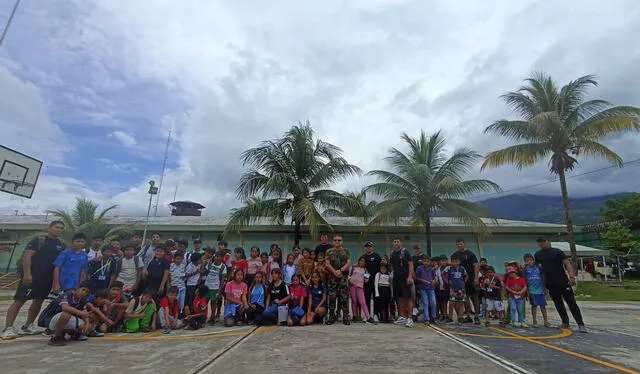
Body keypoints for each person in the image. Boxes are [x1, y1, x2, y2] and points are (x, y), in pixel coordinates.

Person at [2, 220, 65, 340]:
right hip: (32, 277)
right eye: (57, 227)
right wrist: (27, 274)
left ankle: (28, 326)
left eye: (61, 228)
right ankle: (8, 328)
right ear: (50, 228)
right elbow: (27, 256)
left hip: (46, 279)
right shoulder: (38, 241)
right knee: (19, 301)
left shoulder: (59, 244)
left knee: (38, 301)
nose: (59, 230)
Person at [534, 237, 586, 332]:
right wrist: (543, 285)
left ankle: (580, 324)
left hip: (562, 281)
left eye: (543, 241)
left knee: (571, 302)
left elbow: (567, 264)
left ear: (548, 241)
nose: (541, 244)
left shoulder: (557, 251)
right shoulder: (538, 254)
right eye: (539, 242)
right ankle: (565, 322)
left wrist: (571, 277)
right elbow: (539, 271)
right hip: (550, 282)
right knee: (558, 303)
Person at [38, 280, 92, 346]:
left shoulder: (81, 299)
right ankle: (56, 337)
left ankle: (73, 334)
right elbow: (65, 307)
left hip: (64, 319)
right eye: (83, 290)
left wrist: (87, 323)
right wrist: (81, 313)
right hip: (50, 319)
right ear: (77, 288)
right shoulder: (67, 294)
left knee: (88, 326)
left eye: (87, 292)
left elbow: (84, 312)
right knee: (67, 314)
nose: (84, 293)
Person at [451, 239, 481, 325]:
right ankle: (468, 316)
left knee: (475, 298)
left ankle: (477, 316)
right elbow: (453, 266)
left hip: (471, 279)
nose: (459, 245)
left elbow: (476, 265)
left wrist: (476, 278)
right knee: (465, 298)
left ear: (464, 244)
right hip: (460, 280)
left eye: (461, 244)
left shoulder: (470, 254)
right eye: (458, 244)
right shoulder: (454, 255)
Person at [324, 234, 351, 325]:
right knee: (332, 298)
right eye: (335, 240)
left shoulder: (346, 251)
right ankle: (331, 317)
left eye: (339, 240)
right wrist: (335, 272)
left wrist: (340, 271)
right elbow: (327, 264)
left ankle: (346, 317)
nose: (337, 242)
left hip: (343, 278)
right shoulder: (329, 251)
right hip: (332, 279)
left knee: (344, 298)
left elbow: (348, 263)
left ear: (342, 242)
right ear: (333, 242)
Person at [389, 238, 415, 328]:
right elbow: (391, 266)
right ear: (393, 243)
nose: (396, 243)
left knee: (408, 298)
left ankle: (410, 318)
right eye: (395, 241)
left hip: (405, 278)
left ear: (401, 243)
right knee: (399, 298)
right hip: (396, 279)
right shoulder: (392, 253)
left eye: (398, 241)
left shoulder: (405, 252)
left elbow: (411, 264)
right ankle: (402, 317)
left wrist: (410, 276)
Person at [523, 253, 550, 328]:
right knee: (534, 306)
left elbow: (543, 277)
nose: (529, 262)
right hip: (532, 291)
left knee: (543, 306)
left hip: (540, 290)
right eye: (527, 260)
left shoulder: (539, 267)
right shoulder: (525, 270)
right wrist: (526, 292)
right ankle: (534, 321)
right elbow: (524, 281)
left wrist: (545, 288)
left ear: (533, 260)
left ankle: (546, 321)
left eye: (530, 260)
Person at [443, 254, 468, 325]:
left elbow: (466, 276)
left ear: (459, 262)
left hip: (461, 288)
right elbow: (443, 274)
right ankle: (450, 317)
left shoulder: (462, 268)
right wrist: (447, 281)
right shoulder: (448, 268)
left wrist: (464, 282)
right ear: (451, 262)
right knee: (451, 303)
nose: (455, 263)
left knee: (461, 303)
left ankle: (460, 317)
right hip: (453, 288)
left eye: (457, 261)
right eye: (453, 262)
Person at [205, 251, 228, 324]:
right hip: (207, 286)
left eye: (220, 257)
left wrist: (219, 290)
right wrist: (203, 264)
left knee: (213, 302)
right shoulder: (209, 264)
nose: (218, 258)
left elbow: (223, 280)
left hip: (215, 287)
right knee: (204, 302)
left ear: (222, 258)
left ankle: (212, 317)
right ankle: (203, 317)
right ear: (214, 257)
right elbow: (204, 272)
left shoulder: (223, 267)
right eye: (216, 256)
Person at [349, 256, 374, 323]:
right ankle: (354, 316)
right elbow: (348, 276)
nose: (362, 262)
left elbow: (366, 281)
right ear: (358, 261)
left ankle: (368, 317)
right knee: (354, 301)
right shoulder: (353, 267)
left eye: (363, 261)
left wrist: (367, 277)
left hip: (360, 287)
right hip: (352, 286)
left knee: (362, 301)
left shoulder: (365, 270)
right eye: (361, 261)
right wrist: (350, 280)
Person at [362, 241, 382, 319]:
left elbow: (380, 268)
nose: (368, 248)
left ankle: (375, 314)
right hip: (366, 281)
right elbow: (363, 268)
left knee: (376, 298)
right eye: (367, 247)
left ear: (372, 247)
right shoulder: (363, 257)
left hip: (376, 280)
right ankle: (367, 315)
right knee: (366, 298)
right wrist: (365, 277)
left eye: (370, 246)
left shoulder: (377, 256)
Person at [416, 255, 437, 325]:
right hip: (423, 288)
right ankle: (427, 319)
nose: (426, 263)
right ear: (422, 261)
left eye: (428, 261)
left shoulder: (432, 269)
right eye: (424, 261)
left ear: (430, 262)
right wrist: (423, 280)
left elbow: (434, 277)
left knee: (433, 303)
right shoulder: (419, 268)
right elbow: (416, 277)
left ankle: (433, 317)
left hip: (431, 288)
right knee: (425, 303)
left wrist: (434, 281)